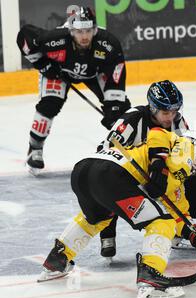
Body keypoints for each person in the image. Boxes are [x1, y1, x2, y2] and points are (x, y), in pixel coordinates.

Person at [38, 127, 196, 298]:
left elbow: (179, 215)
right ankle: (151, 279)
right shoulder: (183, 144)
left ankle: (57, 261)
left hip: (84, 170)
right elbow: (158, 133)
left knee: (98, 218)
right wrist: (160, 168)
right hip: (111, 174)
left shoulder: (174, 181)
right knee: (162, 222)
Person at [97, 80, 196, 258]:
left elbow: (185, 154)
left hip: (160, 172)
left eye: (174, 111)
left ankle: (183, 224)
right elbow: (105, 151)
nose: (171, 117)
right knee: (108, 180)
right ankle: (107, 234)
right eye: (166, 112)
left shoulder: (178, 122)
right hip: (129, 172)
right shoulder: (132, 119)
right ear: (152, 108)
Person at [16, 6, 131, 175]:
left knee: (119, 109)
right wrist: (43, 65)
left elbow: (116, 75)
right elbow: (24, 36)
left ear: (95, 29)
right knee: (50, 104)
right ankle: (35, 149)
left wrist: (113, 107)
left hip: (95, 73)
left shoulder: (108, 43)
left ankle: (130, 148)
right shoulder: (56, 39)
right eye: (79, 31)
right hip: (60, 71)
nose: (84, 36)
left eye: (88, 31)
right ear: (71, 31)